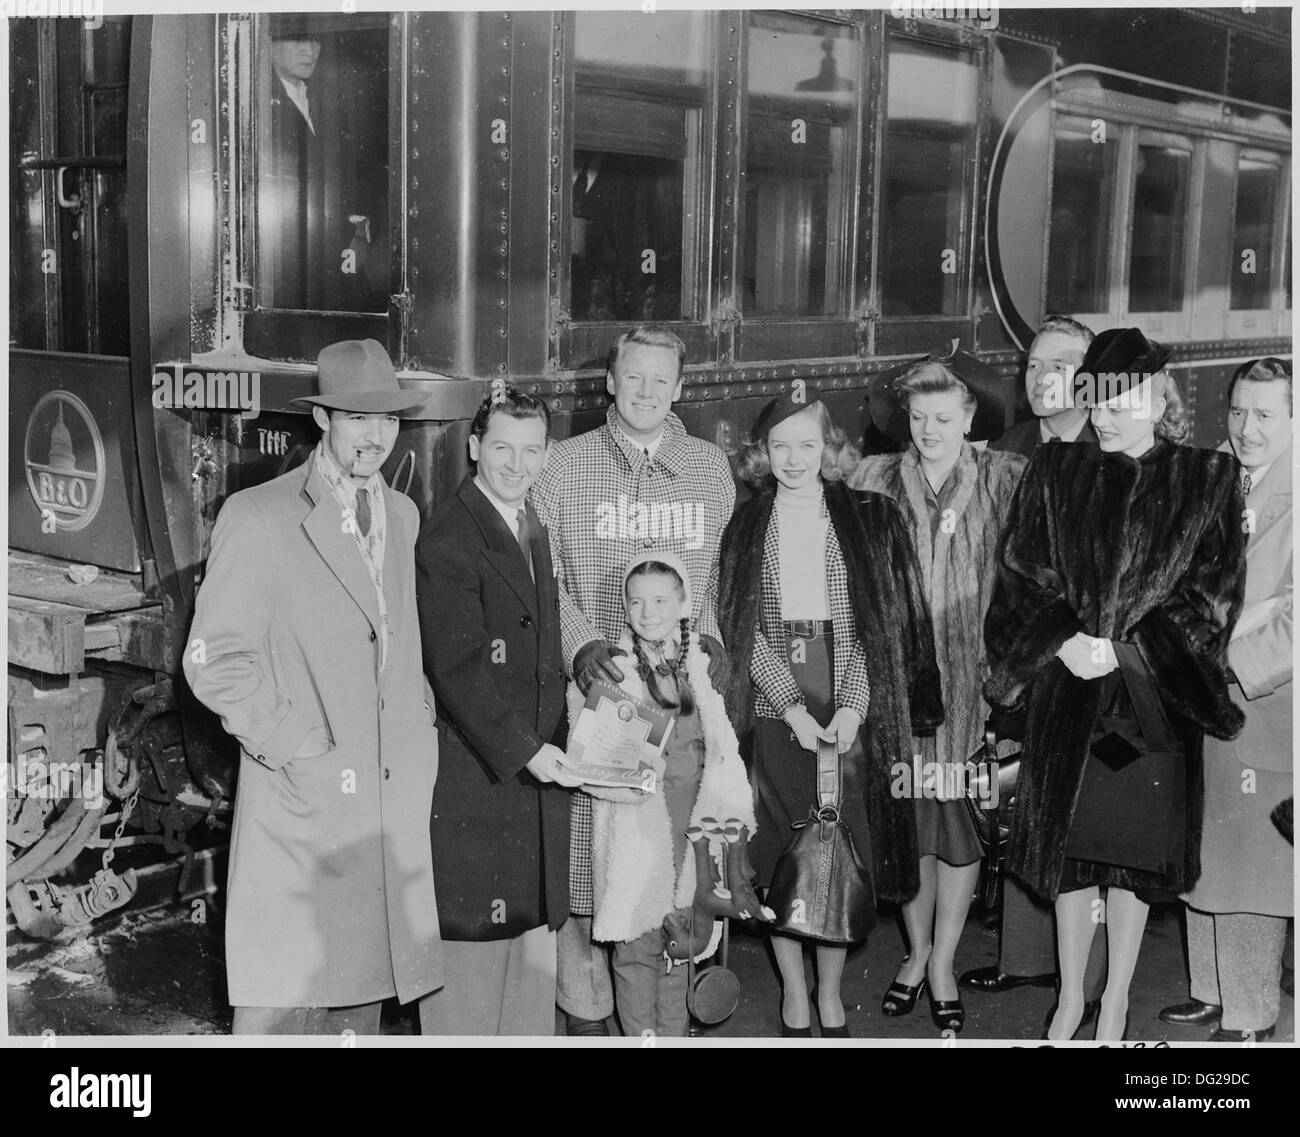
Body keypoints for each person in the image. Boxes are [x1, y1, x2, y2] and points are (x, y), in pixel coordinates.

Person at [984, 328, 1247, 1042]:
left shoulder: (1204, 479)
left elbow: (1212, 601)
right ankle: (1073, 998)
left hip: (1149, 702)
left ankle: (1119, 1001)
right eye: (1093, 398)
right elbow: (1018, 578)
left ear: (1158, 397)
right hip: (1068, 695)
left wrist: (1129, 650)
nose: (1102, 415)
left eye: (1120, 399)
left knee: (1129, 862)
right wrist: (1064, 641)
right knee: (1071, 855)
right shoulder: (1056, 471)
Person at [183, 339, 442, 1034]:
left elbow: (396, 647)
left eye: (387, 418)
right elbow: (211, 659)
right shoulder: (259, 515)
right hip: (303, 803)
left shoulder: (403, 515)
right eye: (356, 417)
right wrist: (294, 744)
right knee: (282, 1005)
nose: (375, 434)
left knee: (357, 1005)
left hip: (381, 808)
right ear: (323, 419)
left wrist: (418, 733)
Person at [530, 326, 735, 1036]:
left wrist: (706, 633)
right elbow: (545, 577)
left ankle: (670, 1017)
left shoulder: (709, 468)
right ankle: (592, 1023)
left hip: (683, 706)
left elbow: (714, 576)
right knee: (598, 873)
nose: (646, 390)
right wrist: (580, 640)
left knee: (675, 867)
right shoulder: (564, 466)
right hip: (602, 701)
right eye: (633, 376)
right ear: (610, 381)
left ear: (681, 388)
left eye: (661, 379)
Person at [720, 395, 942, 1037]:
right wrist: (788, 706)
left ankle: (830, 992)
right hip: (775, 698)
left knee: (839, 851)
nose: (793, 459)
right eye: (780, 446)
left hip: (845, 692)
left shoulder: (867, 517)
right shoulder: (745, 523)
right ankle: (793, 991)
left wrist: (851, 705)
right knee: (784, 850)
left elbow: (877, 625)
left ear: (830, 450)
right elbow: (745, 629)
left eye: (807, 445)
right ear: (763, 454)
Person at [850, 353, 1026, 1033]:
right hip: (894, 687)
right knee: (910, 827)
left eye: (943, 417)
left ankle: (946, 959)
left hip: (973, 691)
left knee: (960, 829)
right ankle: (916, 952)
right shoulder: (871, 478)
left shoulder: (1003, 481)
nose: (928, 428)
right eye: (918, 416)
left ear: (969, 417)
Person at [414, 387, 583, 1036]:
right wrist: (532, 750)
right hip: (480, 788)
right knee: (469, 994)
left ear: (547, 454)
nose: (516, 463)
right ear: (476, 446)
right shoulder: (452, 535)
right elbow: (457, 670)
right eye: (502, 447)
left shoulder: (528, 520)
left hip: (526, 796)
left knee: (525, 994)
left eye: (531, 449)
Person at [963, 315, 1107, 1028]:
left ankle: (1087, 979)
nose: (1039, 375)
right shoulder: (1008, 448)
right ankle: (1023, 958)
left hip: (1084, 660)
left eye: (1059, 363)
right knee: (1019, 802)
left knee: (1082, 821)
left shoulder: (1114, 448)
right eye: (1031, 363)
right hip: (1017, 654)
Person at [1164, 358, 1292, 1043]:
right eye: (1238, 411)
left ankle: (1251, 1015)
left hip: (1261, 703)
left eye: (1266, 414)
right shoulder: (1210, 473)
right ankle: (1210, 990)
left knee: (1251, 861)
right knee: (1204, 846)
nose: (1247, 428)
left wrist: (1220, 660)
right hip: (1202, 694)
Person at [579, 553, 757, 1037]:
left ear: (684, 604)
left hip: (691, 829)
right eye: (636, 601)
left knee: (681, 947)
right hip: (639, 834)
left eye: (660, 600)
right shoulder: (616, 671)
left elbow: (725, 753)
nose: (648, 611)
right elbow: (597, 770)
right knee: (636, 952)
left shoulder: (701, 666)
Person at [987, 315, 1100, 456]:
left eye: (1058, 367)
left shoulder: (1113, 450)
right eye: (1034, 365)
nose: (1040, 378)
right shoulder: (1002, 449)